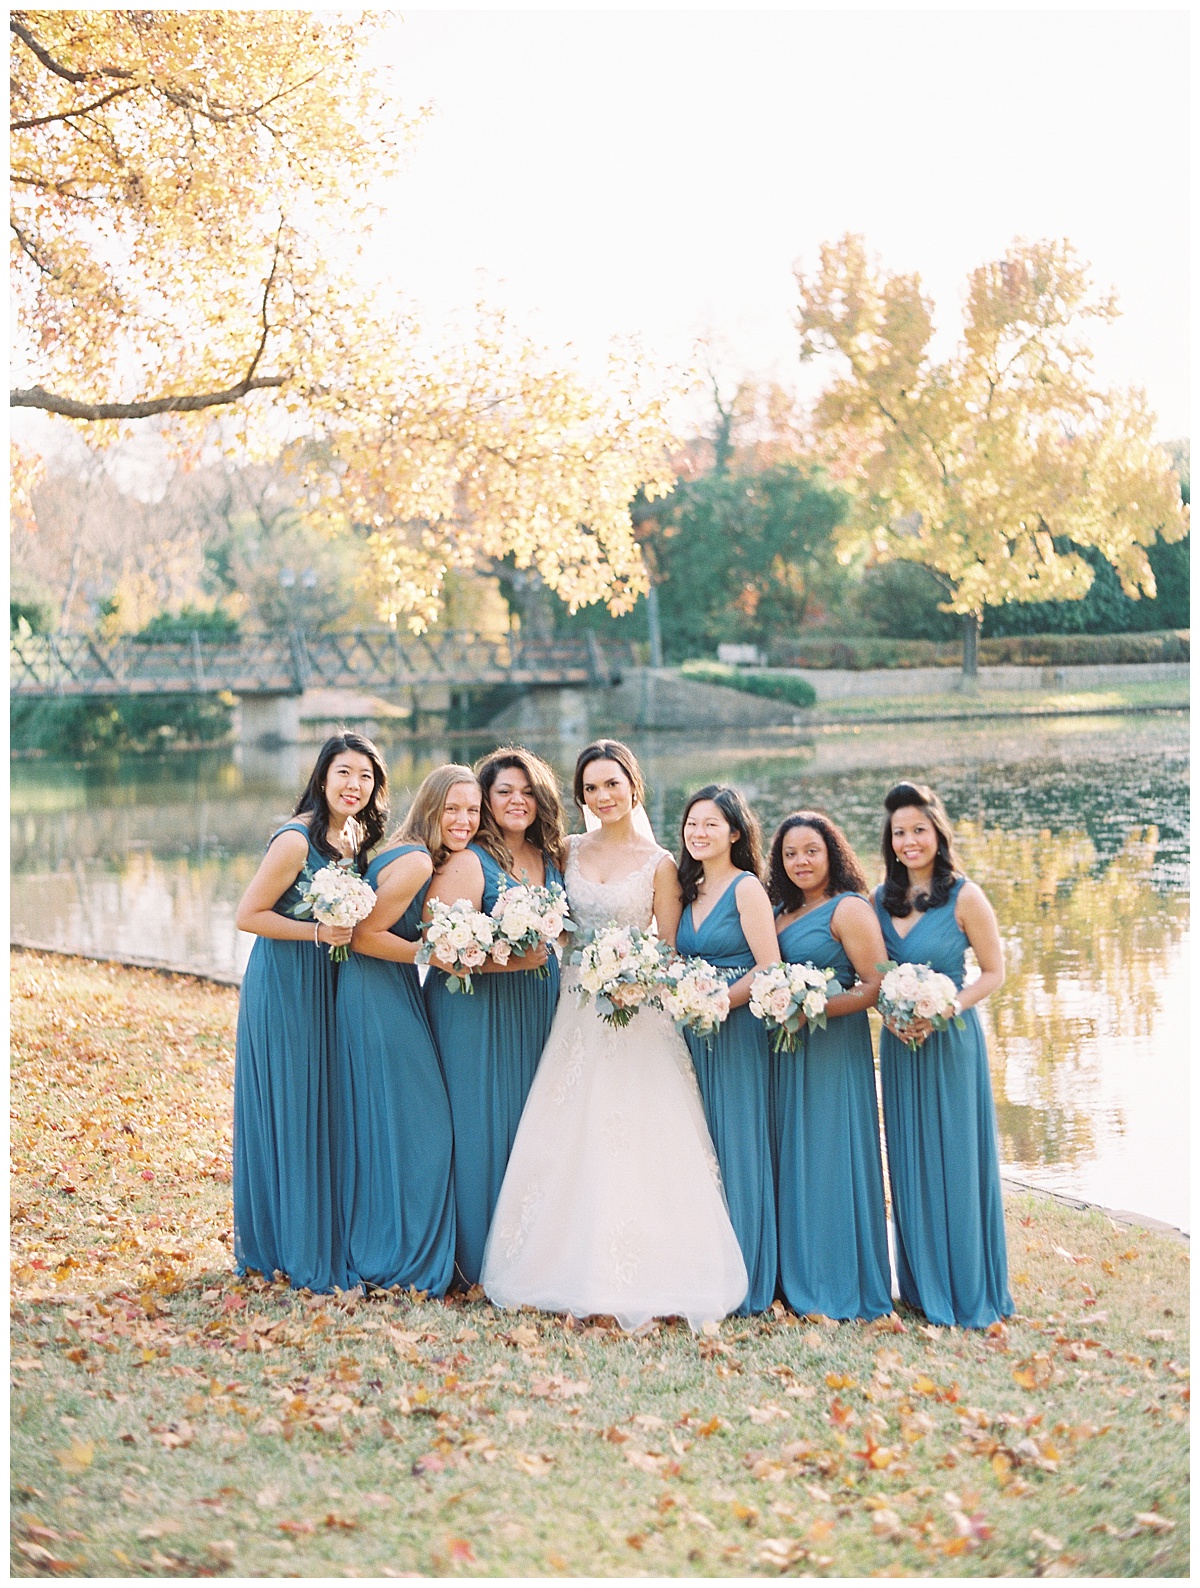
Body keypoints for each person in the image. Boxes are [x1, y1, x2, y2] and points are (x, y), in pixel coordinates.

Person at [480, 740, 747, 1329]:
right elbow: (554, 922)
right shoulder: (568, 848)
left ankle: (656, 1270)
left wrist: (635, 975)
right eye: (592, 788)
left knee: (642, 1131)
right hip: (575, 1005)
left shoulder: (660, 865)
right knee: (572, 1126)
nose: (603, 797)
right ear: (580, 796)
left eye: (612, 784)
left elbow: (670, 950)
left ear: (634, 787)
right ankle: (563, 1264)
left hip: (636, 1010)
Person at [233, 732, 387, 1292]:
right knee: (294, 1104)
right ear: (323, 776)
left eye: (366, 777)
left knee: (327, 1105)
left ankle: (326, 1233)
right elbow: (248, 915)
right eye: (345, 773)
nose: (355, 785)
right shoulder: (296, 840)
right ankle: (285, 1246)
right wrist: (318, 930)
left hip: (332, 981)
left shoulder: (356, 836)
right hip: (287, 982)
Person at [874, 780, 1013, 1329]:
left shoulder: (965, 896)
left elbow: (996, 972)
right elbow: (870, 975)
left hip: (950, 1040)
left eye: (919, 831)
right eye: (900, 833)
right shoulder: (878, 900)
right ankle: (920, 1285)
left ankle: (967, 1287)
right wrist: (889, 1012)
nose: (909, 841)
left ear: (938, 833)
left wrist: (946, 1008)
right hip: (900, 1041)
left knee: (956, 1157)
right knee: (908, 1159)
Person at [421, 763, 554, 1289]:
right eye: (503, 792)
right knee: (479, 1127)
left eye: (527, 791)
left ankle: (526, 1251)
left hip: (535, 1008)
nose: (517, 801)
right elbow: (439, 946)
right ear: (485, 800)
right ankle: (474, 1260)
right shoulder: (468, 860)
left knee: (529, 1126)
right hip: (475, 1010)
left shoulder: (549, 856)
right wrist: (512, 963)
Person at [333, 769, 459, 1294]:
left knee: (386, 1118)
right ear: (430, 807)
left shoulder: (392, 847)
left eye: (473, 810)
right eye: (454, 808)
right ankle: (401, 1252)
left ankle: (383, 1238)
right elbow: (364, 937)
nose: (466, 820)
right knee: (423, 1122)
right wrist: (438, 955)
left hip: (380, 989)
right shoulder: (416, 861)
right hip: (376, 991)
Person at [768, 811, 892, 1321]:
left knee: (830, 1156)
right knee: (791, 1158)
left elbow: (874, 985)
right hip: (783, 1052)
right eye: (791, 853)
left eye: (811, 851)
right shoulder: (777, 911)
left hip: (833, 1051)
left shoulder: (849, 909)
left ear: (832, 854)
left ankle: (839, 1279)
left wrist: (812, 1005)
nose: (800, 861)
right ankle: (793, 1274)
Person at [675, 786, 779, 1314]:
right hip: (691, 1030)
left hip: (733, 1029)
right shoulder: (685, 888)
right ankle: (704, 1264)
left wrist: (720, 1001)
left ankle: (750, 1271)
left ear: (735, 832)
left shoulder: (746, 890)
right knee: (701, 1145)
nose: (698, 833)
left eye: (711, 824)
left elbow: (768, 965)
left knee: (738, 1141)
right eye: (692, 823)